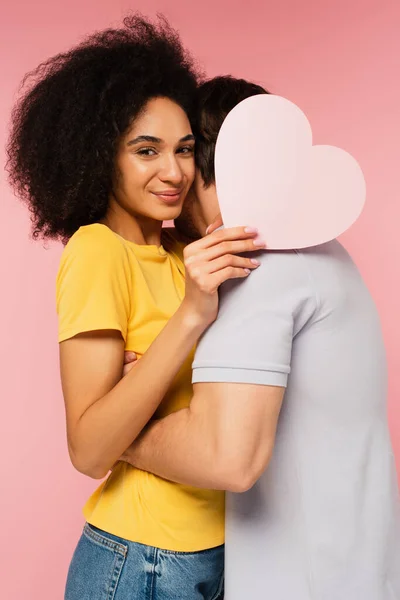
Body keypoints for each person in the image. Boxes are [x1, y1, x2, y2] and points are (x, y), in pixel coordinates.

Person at [6, 19, 265, 600]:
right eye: (145, 151)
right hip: (140, 560)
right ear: (100, 155)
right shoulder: (97, 251)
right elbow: (90, 449)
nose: (172, 173)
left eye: (184, 150)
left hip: (217, 553)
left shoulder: (183, 250)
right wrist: (192, 316)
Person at [122, 76, 400, 600]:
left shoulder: (258, 268)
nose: (170, 179)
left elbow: (229, 458)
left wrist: (124, 426)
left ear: (212, 162)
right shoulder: (327, 253)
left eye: (183, 154)